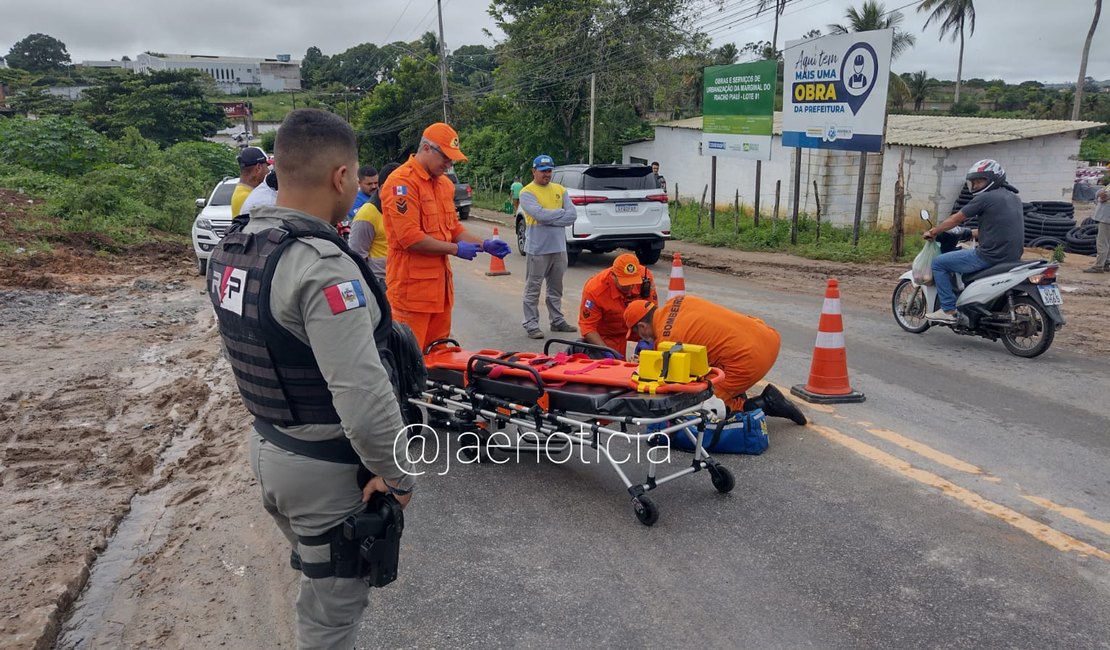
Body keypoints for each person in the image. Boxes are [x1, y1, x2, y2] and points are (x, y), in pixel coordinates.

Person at [207, 109, 415, 649]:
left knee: (318, 587)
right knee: (330, 621)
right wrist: (396, 475)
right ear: (341, 177)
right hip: (325, 471)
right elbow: (361, 392)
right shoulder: (320, 264)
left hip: (271, 449)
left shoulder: (238, 245)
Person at [381, 122, 511, 350]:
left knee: (439, 360)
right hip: (411, 295)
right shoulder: (401, 183)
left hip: (440, 295)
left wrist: (485, 244)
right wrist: (455, 249)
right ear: (427, 149)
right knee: (409, 363)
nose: (449, 164)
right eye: (446, 157)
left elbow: (453, 229)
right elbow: (409, 238)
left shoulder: (443, 186)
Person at [624, 296, 806, 425]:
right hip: (767, 335)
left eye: (639, 334)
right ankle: (734, 390)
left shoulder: (667, 341)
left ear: (642, 326)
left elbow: (677, 384)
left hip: (750, 359)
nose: (642, 339)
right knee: (707, 367)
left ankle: (765, 404)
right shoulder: (677, 301)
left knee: (701, 404)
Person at [923, 159, 1025, 323]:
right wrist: (969, 233)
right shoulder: (1013, 198)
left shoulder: (985, 198)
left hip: (989, 256)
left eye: (980, 180)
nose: (976, 185)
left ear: (994, 178)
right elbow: (997, 229)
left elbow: (956, 219)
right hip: (1012, 256)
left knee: (939, 263)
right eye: (974, 181)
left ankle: (948, 310)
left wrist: (934, 231)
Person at [520, 154, 578, 339]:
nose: (547, 174)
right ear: (534, 171)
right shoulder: (526, 192)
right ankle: (531, 324)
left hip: (559, 248)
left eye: (549, 170)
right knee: (533, 288)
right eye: (543, 170)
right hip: (537, 249)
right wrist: (559, 214)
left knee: (556, 288)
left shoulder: (560, 190)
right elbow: (539, 215)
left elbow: (572, 216)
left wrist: (549, 216)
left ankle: (557, 321)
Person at [577, 253, 657, 358]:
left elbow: (652, 313)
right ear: (613, 276)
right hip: (609, 333)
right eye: (625, 283)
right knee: (615, 366)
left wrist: (648, 339)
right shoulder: (594, 290)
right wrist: (606, 350)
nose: (630, 286)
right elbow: (588, 328)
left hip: (636, 327)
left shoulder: (645, 278)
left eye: (633, 281)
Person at [350, 162, 400, 282]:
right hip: (381, 283)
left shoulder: (402, 209)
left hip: (401, 279)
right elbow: (357, 256)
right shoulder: (366, 214)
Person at [231, 146, 270, 217]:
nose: (268, 171)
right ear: (258, 168)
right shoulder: (249, 198)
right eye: (267, 166)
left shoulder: (242, 192)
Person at [1083, 184, 1110, 273]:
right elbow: (1099, 192)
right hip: (1106, 217)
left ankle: (1099, 266)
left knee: (1102, 243)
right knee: (1107, 242)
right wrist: (1100, 194)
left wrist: (1100, 196)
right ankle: (1107, 263)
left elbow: (1103, 197)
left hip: (1107, 218)